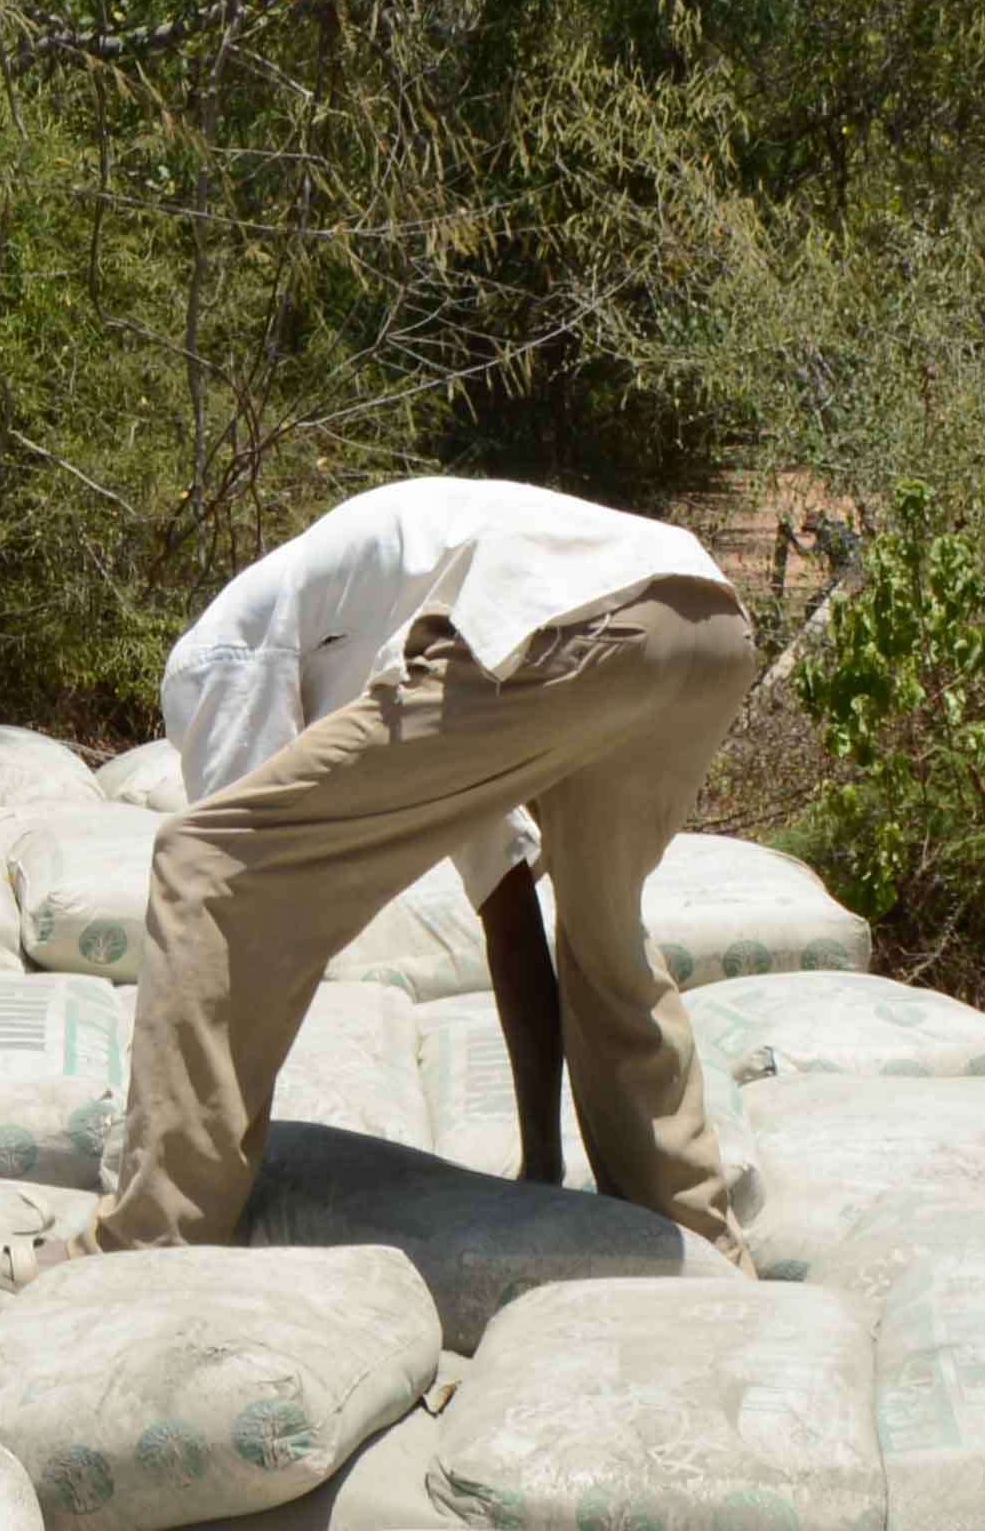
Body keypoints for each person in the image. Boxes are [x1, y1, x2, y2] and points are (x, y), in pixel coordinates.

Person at [104, 477, 759, 1260]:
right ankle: (700, 1237)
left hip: (558, 623)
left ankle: (148, 1239)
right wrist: (540, 1166)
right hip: (703, 623)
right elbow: (511, 919)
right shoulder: (413, 662)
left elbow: (238, 908)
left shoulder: (223, 656)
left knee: (201, 865)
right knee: (604, 937)